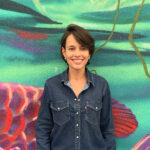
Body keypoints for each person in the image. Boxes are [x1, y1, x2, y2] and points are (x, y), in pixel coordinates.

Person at [36, 24, 116, 150]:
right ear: (64, 52)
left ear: (89, 53)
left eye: (83, 48)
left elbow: (108, 131)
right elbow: (42, 129)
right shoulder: (51, 86)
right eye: (72, 48)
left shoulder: (102, 86)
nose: (77, 54)